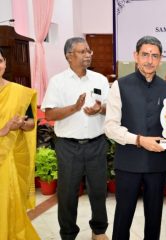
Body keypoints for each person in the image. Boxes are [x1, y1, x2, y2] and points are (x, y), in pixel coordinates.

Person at [104, 36, 166, 240]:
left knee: (154, 218)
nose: (149, 60)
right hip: (128, 161)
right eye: (145, 55)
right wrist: (139, 140)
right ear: (136, 56)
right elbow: (110, 127)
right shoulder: (120, 85)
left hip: (157, 162)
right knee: (123, 216)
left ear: (160, 59)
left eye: (154, 56)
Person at [41, 37, 109, 240]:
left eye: (89, 51)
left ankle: (99, 231)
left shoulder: (100, 80)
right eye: (82, 51)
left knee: (98, 191)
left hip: (96, 143)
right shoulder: (57, 81)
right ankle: (68, 234)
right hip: (68, 147)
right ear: (69, 56)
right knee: (68, 194)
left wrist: (100, 109)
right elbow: (50, 114)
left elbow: (111, 109)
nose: (88, 54)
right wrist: (74, 108)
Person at [0, 48, 40, 239]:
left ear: (5, 63)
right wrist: (5, 129)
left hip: (10, 159)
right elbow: (6, 128)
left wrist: (22, 124)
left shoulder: (19, 93)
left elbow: (31, 124)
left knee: (10, 202)